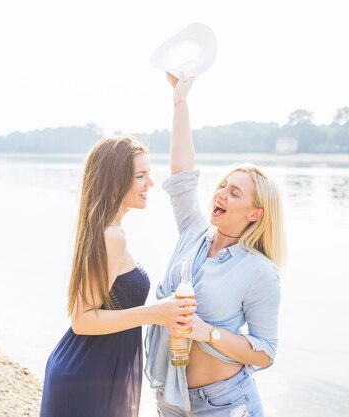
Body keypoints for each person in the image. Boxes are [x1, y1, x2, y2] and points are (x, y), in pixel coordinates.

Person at [145, 74, 286, 417]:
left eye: (234, 192)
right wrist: (180, 101)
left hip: (224, 403)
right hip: (172, 397)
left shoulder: (259, 271)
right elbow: (181, 173)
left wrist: (208, 333)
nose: (220, 193)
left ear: (255, 214)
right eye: (223, 185)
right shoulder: (193, 231)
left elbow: (265, 353)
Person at [40, 136, 197, 417]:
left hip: (92, 370)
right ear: (115, 181)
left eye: (148, 173)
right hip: (87, 375)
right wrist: (156, 314)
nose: (150, 183)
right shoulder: (111, 236)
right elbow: (82, 319)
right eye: (140, 175)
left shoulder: (105, 229)